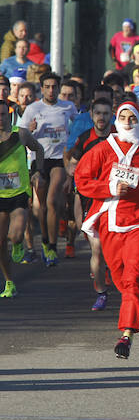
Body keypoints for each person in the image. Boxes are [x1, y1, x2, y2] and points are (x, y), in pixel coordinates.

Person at [74, 102, 139, 358]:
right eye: (124, 117)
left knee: (133, 276)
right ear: (117, 120)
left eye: (132, 118)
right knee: (119, 277)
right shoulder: (103, 149)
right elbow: (82, 180)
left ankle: (126, 334)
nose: (128, 122)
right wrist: (109, 189)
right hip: (110, 221)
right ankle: (131, 312)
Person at [19, 73, 76, 266]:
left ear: (59, 88)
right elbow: (20, 135)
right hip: (39, 161)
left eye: (54, 86)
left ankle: (52, 246)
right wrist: (31, 130)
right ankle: (44, 240)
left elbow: (77, 129)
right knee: (41, 207)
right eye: (47, 86)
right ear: (41, 89)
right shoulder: (33, 108)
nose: (51, 90)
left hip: (60, 160)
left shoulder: (68, 107)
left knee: (52, 201)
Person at [64, 97, 114, 310]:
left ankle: (111, 273)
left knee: (112, 250)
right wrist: (73, 181)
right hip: (89, 201)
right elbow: (72, 164)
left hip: (114, 201)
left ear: (111, 115)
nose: (101, 117)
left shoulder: (118, 138)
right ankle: (101, 291)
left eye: (105, 113)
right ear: (91, 115)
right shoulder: (85, 139)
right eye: (98, 113)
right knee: (97, 249)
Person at [0, 99, 44, 298]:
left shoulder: (21, 134)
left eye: (2, 114)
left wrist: (37, 171)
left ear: (9, 114)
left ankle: (19, 242)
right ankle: (9, 282)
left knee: (14, 235)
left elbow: (39, 149)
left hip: (19, 194)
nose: (0, 119)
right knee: (0, 244)